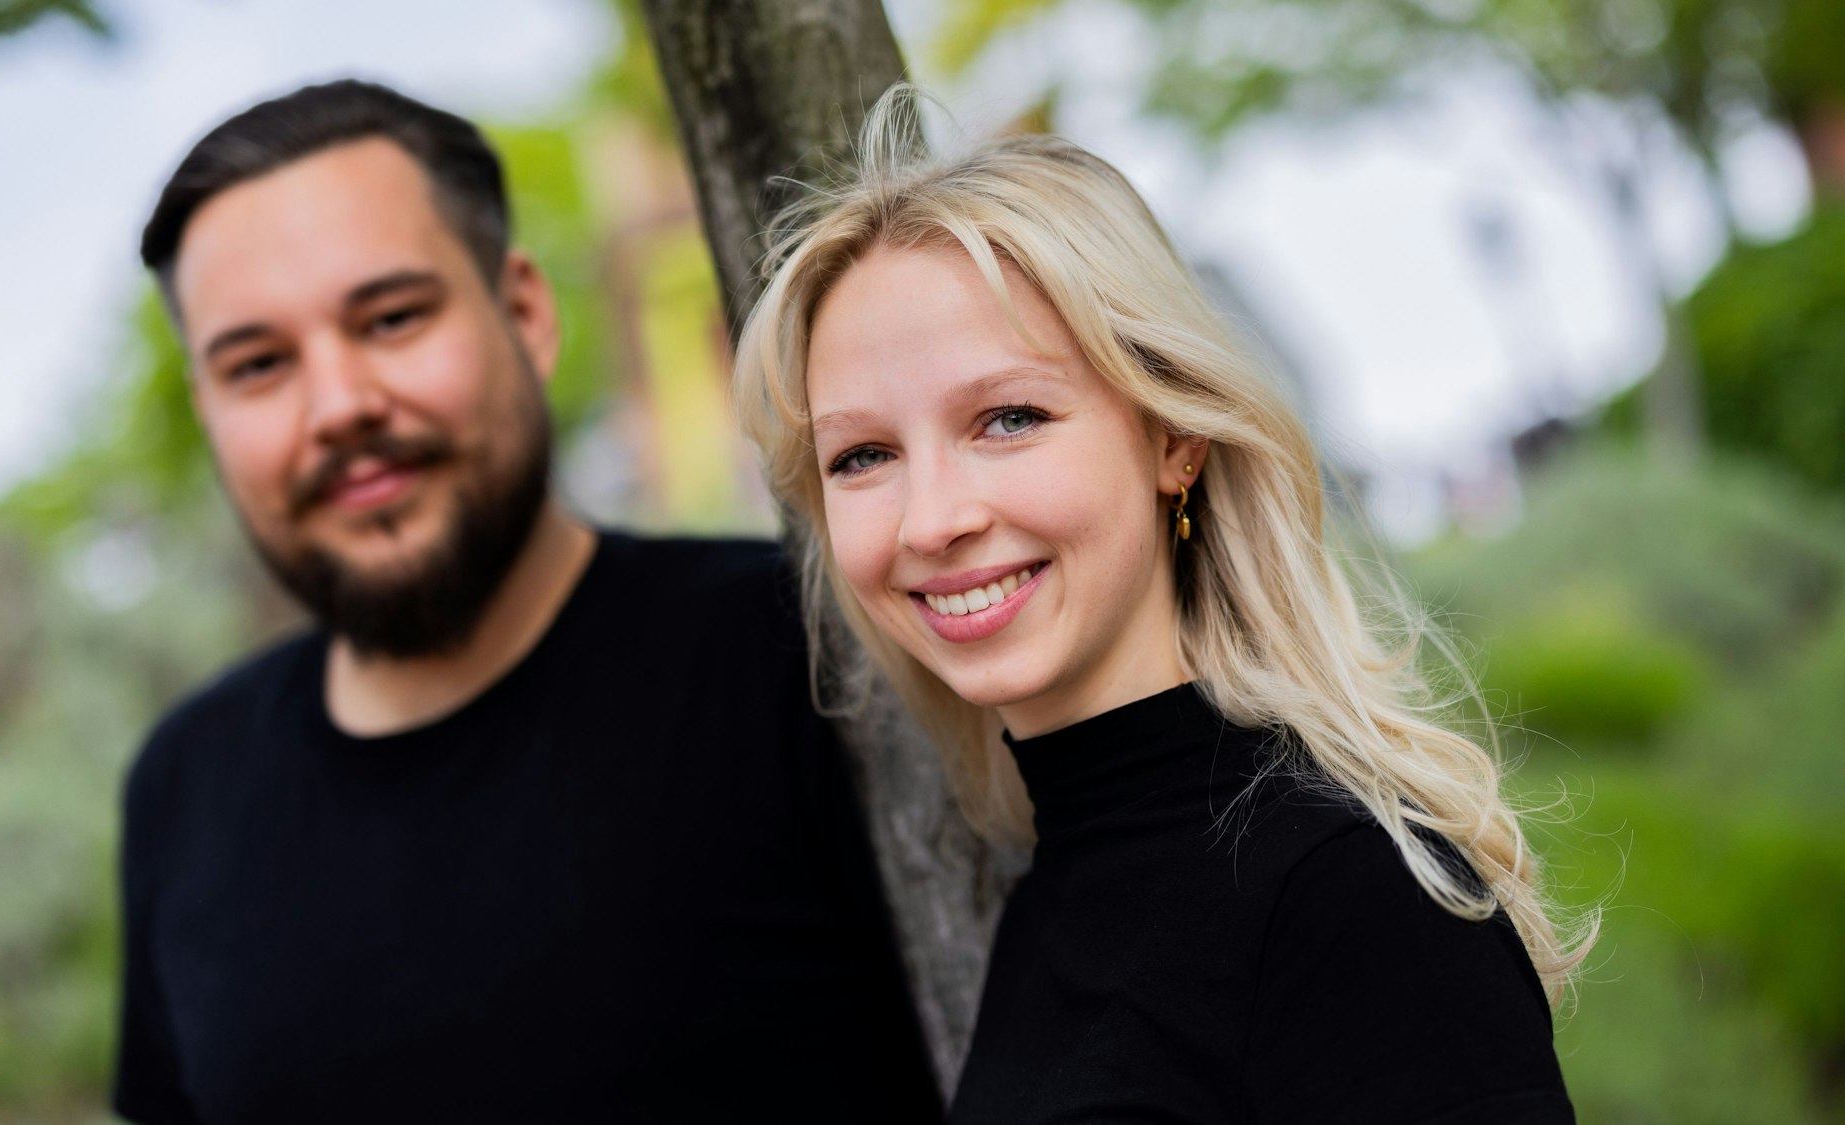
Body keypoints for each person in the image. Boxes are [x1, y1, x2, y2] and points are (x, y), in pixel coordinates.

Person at [733, 86, 1593, 1123]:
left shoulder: (1346, 896)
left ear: (1171, 438)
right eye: (862, 454)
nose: (929, 521)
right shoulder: (1050, 895)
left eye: (1007, 418)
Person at [113, 79, 942, 1124]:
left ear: (525, 312)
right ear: (209, 409)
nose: (337, 406)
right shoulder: (184, 787)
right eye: (258, 364)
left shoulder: (811, 656)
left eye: (392, 317)